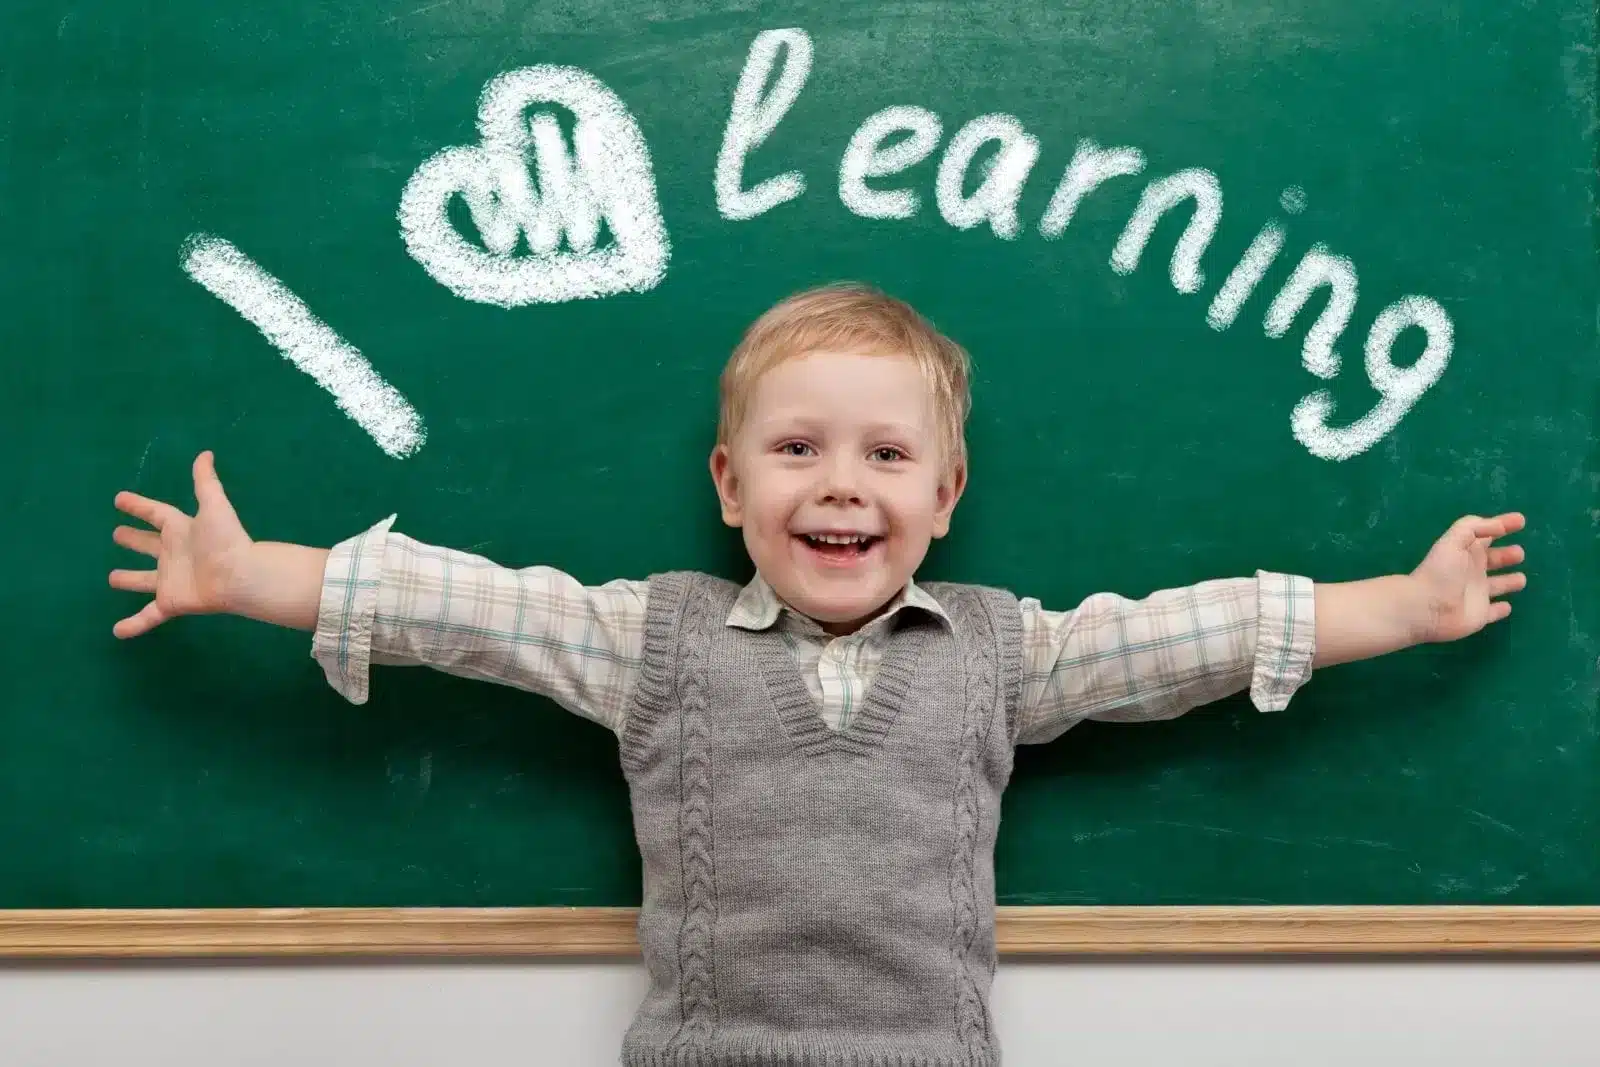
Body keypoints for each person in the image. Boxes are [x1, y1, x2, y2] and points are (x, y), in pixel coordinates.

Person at [109, 283, 1526, 1066]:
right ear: (730, 485)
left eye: (884, 455)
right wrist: (256, 577)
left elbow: (1186, 637)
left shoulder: (998, 651)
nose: (839, 486)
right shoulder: (649, 641)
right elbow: (462, 607)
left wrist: (1403, 605)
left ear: (946, 493)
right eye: (797, 450)